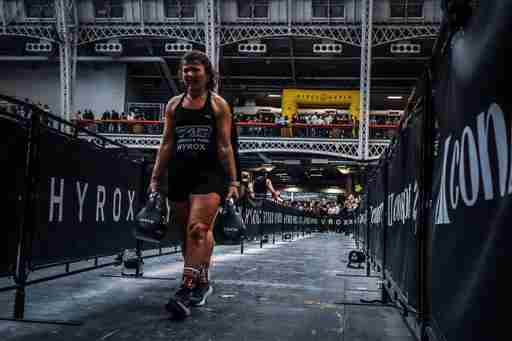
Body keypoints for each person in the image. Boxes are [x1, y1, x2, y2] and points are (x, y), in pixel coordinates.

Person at [149, 50, 240, 319]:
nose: (190, 74)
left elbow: (225, 146)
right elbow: (166, 143)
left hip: (209, 175)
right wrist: (155, 178)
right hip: (179, 174)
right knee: (186, 235)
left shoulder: (218, 105)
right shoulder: (173, 105)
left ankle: (185, 289)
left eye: (195, 70)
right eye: (186, 70)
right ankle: (201, 281)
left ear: (208, 74)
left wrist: (233, 180)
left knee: (198, 229)